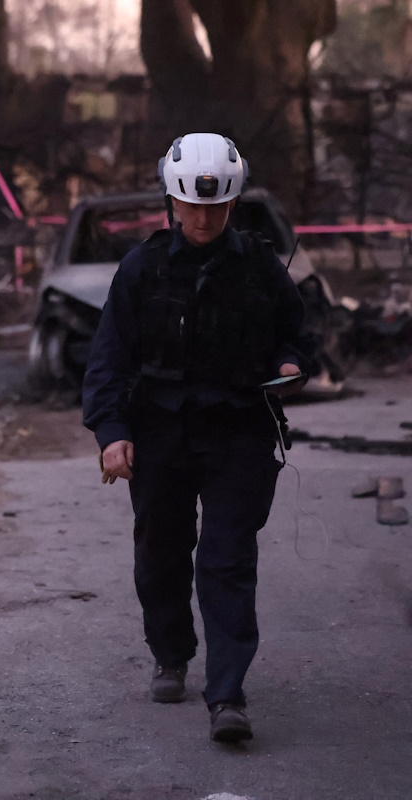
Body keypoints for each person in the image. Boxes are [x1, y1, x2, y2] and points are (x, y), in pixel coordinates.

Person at [82, 132, 317, 743]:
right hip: (160, 433)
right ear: (173, 203)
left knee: (228, 560)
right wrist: (111, 432)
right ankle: (170, 653)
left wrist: (292, 366)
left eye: (215, 207)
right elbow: (107, 359)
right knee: (161, 552)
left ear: (231, 203)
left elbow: (300, 338)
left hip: (238, 430)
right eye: (192, 205)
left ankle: (228, 694)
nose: (204, 217)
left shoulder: (262, 269)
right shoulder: (142, 269)